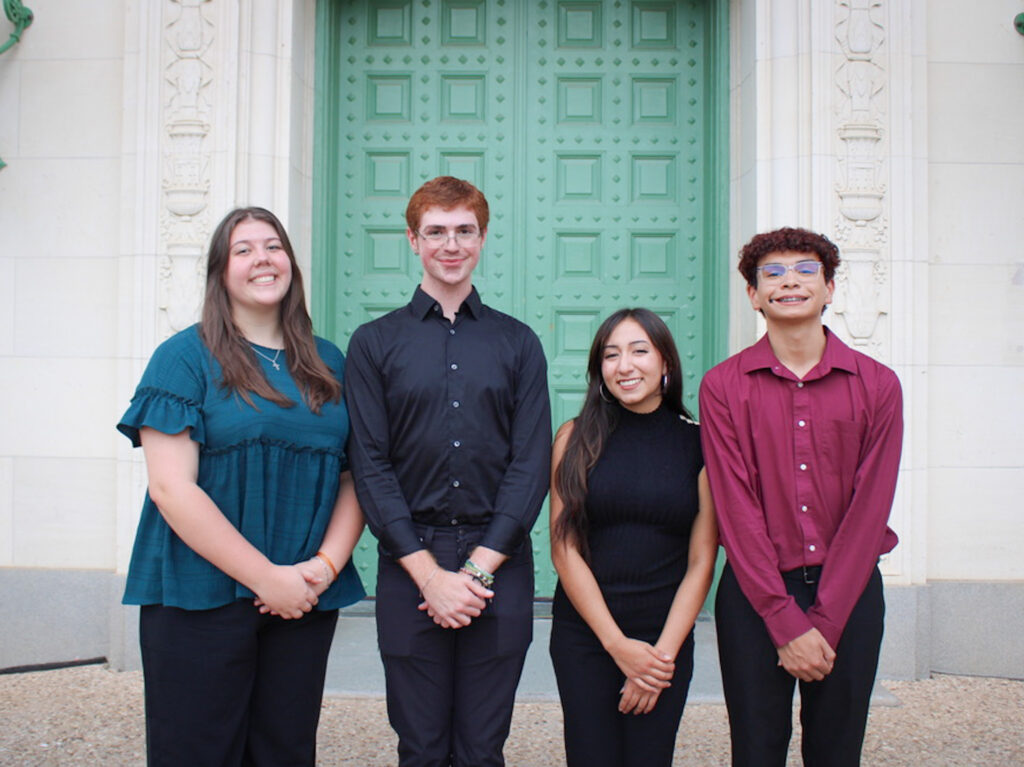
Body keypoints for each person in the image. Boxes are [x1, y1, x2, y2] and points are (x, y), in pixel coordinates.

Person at [117, 207, 365, 766]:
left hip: (302, 598)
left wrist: (322, 569)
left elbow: (355, 477)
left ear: (291, 263)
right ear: (220, 272)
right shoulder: (183, 358)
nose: (262, 259)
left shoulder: (328, 361)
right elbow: (171, 489)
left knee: (285, 752)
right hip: (199, 597)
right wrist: (266, 578)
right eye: (244, 249)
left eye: (273, 246)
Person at [345, 176, 552, 766]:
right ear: (413, 240)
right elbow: (370, 464)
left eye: (465, 231)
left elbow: (530, 463)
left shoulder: (519, 343)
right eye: (436, 231)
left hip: (500, 560)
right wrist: (431, 578)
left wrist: (478, 571)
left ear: (482, 238)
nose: (451, 244)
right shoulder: (374, 343)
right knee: (421, 747)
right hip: (409, 559)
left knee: (483, 749)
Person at [699, 227, 903, 766]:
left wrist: (825, 623)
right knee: (756, 750)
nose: (789, 281)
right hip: (755, 594)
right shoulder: (723, 387)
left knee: (837, 752)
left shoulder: (878, 385)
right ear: (754, 295)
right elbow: (735, 508)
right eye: (773, 273)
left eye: (806, 270)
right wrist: (784, 620)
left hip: (850, 592)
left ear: (829, 288)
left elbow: (869, 510)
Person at [548, 308, 718, 767]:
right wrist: (616, 645)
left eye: (639, 351)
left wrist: (659, 660)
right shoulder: (573, 438)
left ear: (666, 363)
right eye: (611, 355)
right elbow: (564, 549)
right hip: (586, 636)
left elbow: (702, 561)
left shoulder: (700, 444)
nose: (624, 366)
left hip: (664, 638)